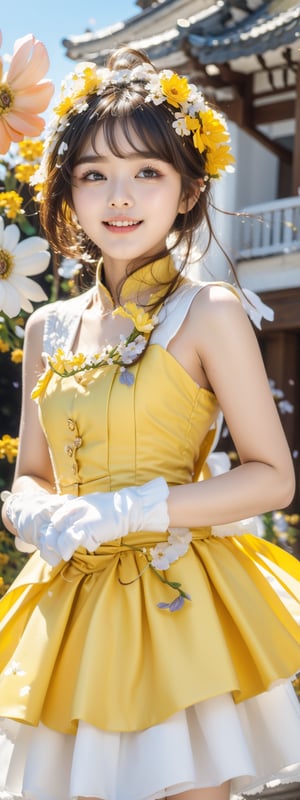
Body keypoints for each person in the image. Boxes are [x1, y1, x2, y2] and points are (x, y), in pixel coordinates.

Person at [0, 46, 299, 800]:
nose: (119, 198)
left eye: (147, 173)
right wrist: (31, 511)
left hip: (176, 603)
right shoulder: (49, 327)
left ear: (190, 189)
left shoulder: (209, 311)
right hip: (66, 603)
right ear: (68, 193)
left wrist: (131, 508)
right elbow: (31, 473)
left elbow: (274, 478)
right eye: (94, 174)